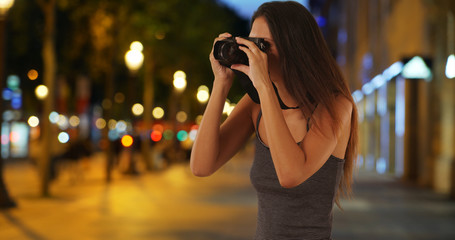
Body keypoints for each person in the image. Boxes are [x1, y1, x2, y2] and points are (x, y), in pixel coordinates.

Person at [190, 1, 358, 239]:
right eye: (251, 43)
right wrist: (221, 84)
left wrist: (264, 86)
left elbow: (290, 175)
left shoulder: (336, 106)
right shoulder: (255, 105)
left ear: (295, 47)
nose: (255, 54)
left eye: (264, 46)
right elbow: (201, 167)